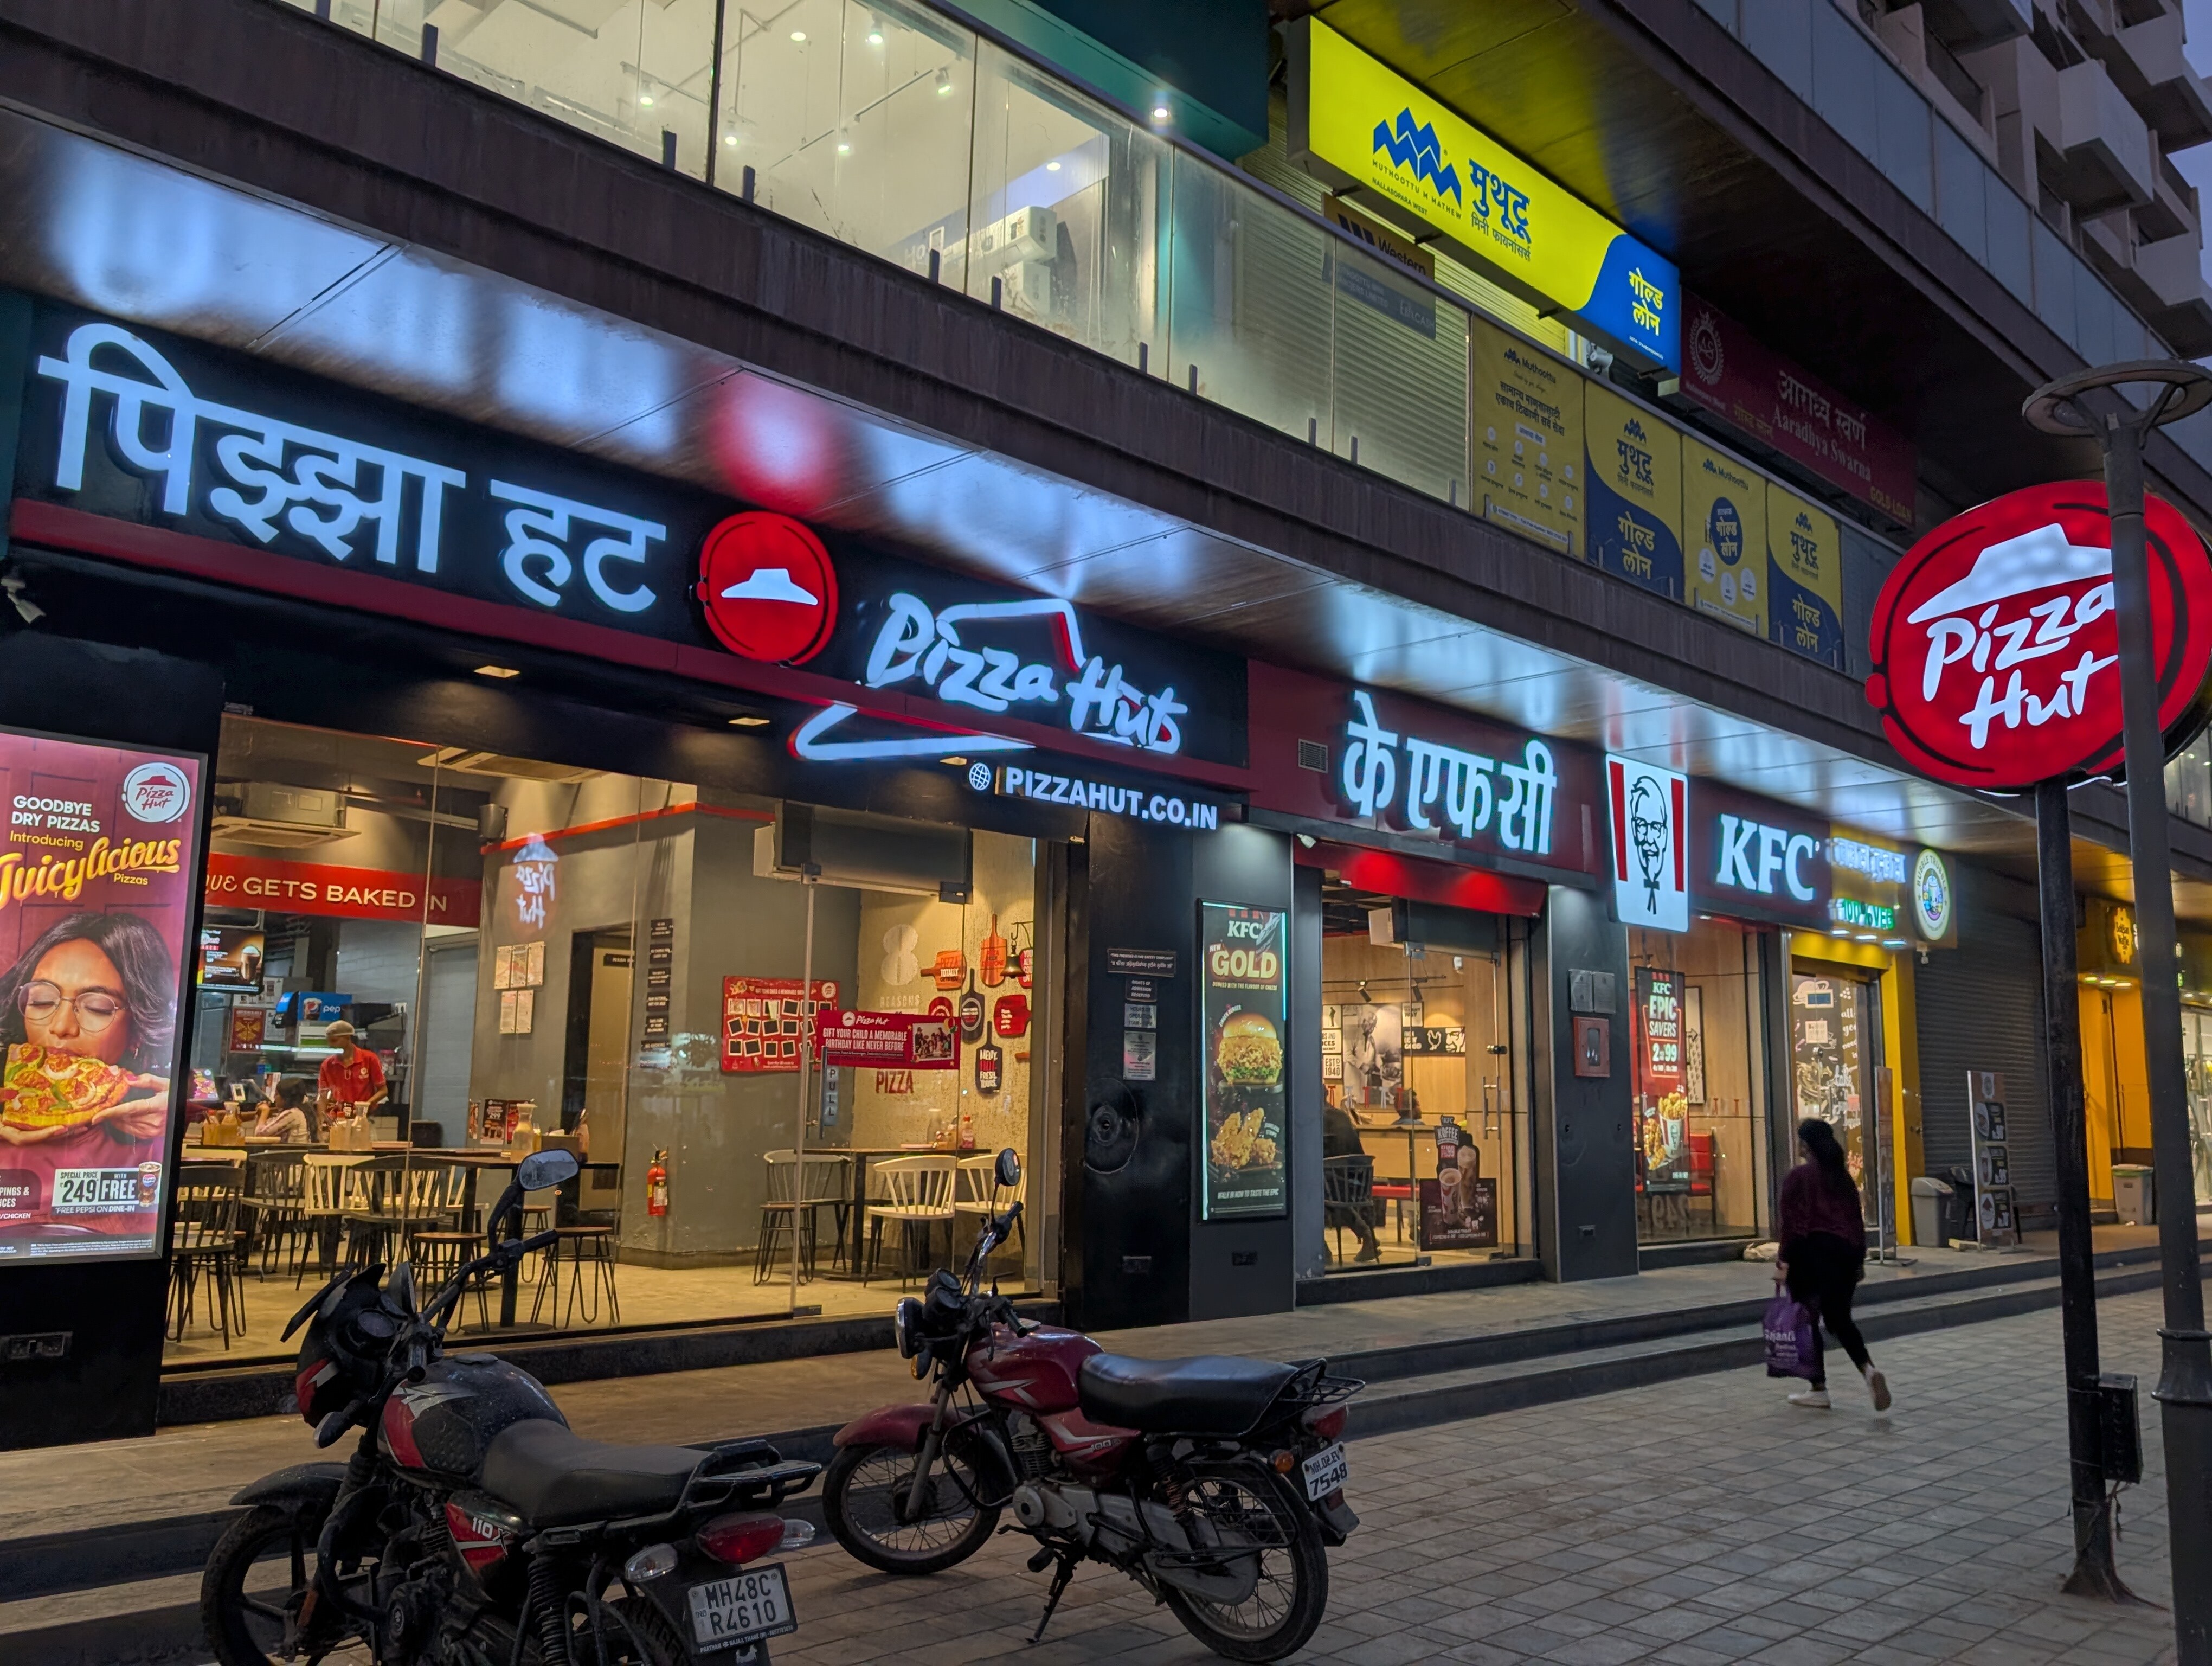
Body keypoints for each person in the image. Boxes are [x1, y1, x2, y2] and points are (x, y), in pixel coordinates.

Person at [0, 912, 176, 1148]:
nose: (61, 1026)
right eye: (42, 1001)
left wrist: (181, 1111)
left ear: (138, 1030)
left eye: (96, 1008)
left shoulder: (154, 1133)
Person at [1776, 1117, 1890, 1412]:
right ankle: (1868, 1370)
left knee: (1807, 1321)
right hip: (1845, 1255)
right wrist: (1859, 1260)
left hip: (1810, 1254)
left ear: (1806, 1145)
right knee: (1840, 1320)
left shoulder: (1798, 1177)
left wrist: (1783, 1261)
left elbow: (1792, 1224)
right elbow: (1855, 1221)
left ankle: (1819, 1389)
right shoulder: (1842, 1178)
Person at [1322, 1095, 1382, 1263]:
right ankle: (1367, 1235)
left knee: (1307, 1193)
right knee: (1331, 1191)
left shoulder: (1317, 1120)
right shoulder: (1342, 1116)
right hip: (1357, 1185)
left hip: (1334, 1187)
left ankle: (1322, 1249)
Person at [317, 1020, 387, 1120]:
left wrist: (363, 1108)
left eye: (334, 1041)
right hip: (336, 1117)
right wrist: (321, 1120)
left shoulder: (369, 1059)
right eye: (329, 1041)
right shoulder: (327, 1065)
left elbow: (383, 1090)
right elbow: (323, 1097)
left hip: (365, 1116)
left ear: (348, 1038)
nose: (331, 1045)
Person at [252, 1077, 312, 1144]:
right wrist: (260, 1114)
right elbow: (263, 1129)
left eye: (277, 1094)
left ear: (286, 1098)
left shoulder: (292, 1114)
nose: (274, 1097)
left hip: (291, 1151)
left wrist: (265, 1112)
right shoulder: (296, 1112)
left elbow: (259, 1135)